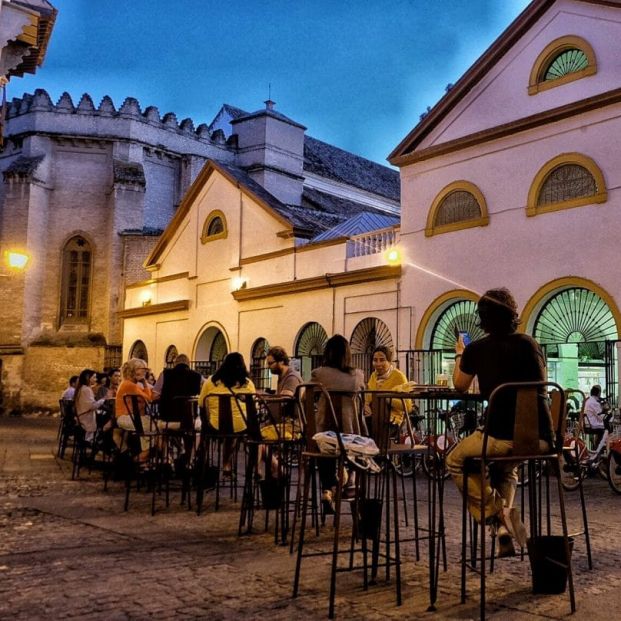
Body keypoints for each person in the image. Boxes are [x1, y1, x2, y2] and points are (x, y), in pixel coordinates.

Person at [447, 288, 554, 556]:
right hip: (540, 438)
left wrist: (460, 354)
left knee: (454, 459)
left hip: (501, 435)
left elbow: (460, 386)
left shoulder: (476, 349)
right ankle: (504, 529)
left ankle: (496, 514)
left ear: (483, 320)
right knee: (506, 469)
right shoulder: (531, 343)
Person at [311, 334, 365, 512]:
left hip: (324, 434)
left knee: (325, 446)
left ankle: (329, 489)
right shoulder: (358, 376)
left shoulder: (319, 374)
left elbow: (304, 397)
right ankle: (350, 482)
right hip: (350, 435)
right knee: (349, 449)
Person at [198, 352, 256, 474]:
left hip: (215, 425)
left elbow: (201, 404)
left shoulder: (210, 382)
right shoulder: (248, 384)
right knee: (233, 429)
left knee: (209, 427)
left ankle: (202, 460)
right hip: (241, 427)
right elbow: (253, 407)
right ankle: (227, 464)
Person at [114, 358, 154, 457]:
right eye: (142, 368)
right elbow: (149, 398)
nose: (145, 371)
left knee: (150, 431)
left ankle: (143, 457)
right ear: (133, 370)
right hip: (127, 418)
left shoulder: (128, 383)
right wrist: (145, 383)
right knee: (158, 428)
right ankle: (141, 457)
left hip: (129, 417)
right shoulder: (130, 385)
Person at [364, 345, 411, 427]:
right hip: (373, 417)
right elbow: (368, 397)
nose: (378, 364)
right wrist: (366, 405)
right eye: (375, 360)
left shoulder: (399, 376)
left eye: (382, 360)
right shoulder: (373, 376)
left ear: (390, 362)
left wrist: (386, 398)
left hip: (392, 420)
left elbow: (407, 406)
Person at [154, 354, 202, 426]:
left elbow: (155, 395)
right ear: (188, 364)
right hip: (189, 418)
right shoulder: (198, 376)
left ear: (174, 363)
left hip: (167, 416)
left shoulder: (164, 374)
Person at [74, 369, 107, 442]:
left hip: (81, 416)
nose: (96, 379)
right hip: (86, 418)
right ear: (87, 377)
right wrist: (104, 399)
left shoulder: (82, 388)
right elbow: (92, 406)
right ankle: (98, 442)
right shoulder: (86, 389)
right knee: (106, 422)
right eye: (94, 377)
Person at [584, 384, 608, 452]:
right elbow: (600, 418)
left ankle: (597, 447)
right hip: (593, 425)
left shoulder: (588, 401)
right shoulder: (595, 403)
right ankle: (599, 449)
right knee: (607, 429)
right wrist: (604, 410)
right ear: (598, 393)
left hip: (588, 423)